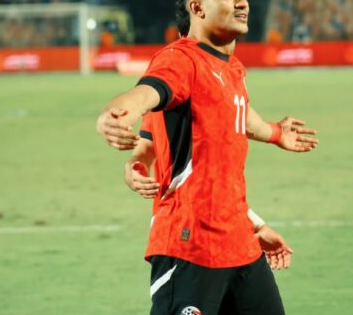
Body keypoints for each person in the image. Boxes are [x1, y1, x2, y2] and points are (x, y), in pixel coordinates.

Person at [96, 0, 318, 314]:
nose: (242, 2)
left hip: (240, 243)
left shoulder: (232, 69)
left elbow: (235, 118)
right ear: (197, 8)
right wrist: (116, 114)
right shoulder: (182, 61)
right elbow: (144, 96)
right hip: (191, 246)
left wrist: (276, 133)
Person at [125, 112, 294, 272]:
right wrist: (135, 168)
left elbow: (219, 182)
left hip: (233, 236)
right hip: (183, 239)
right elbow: (144, 150)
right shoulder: (169, 98)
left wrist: (257, 225)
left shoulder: (228, 95)